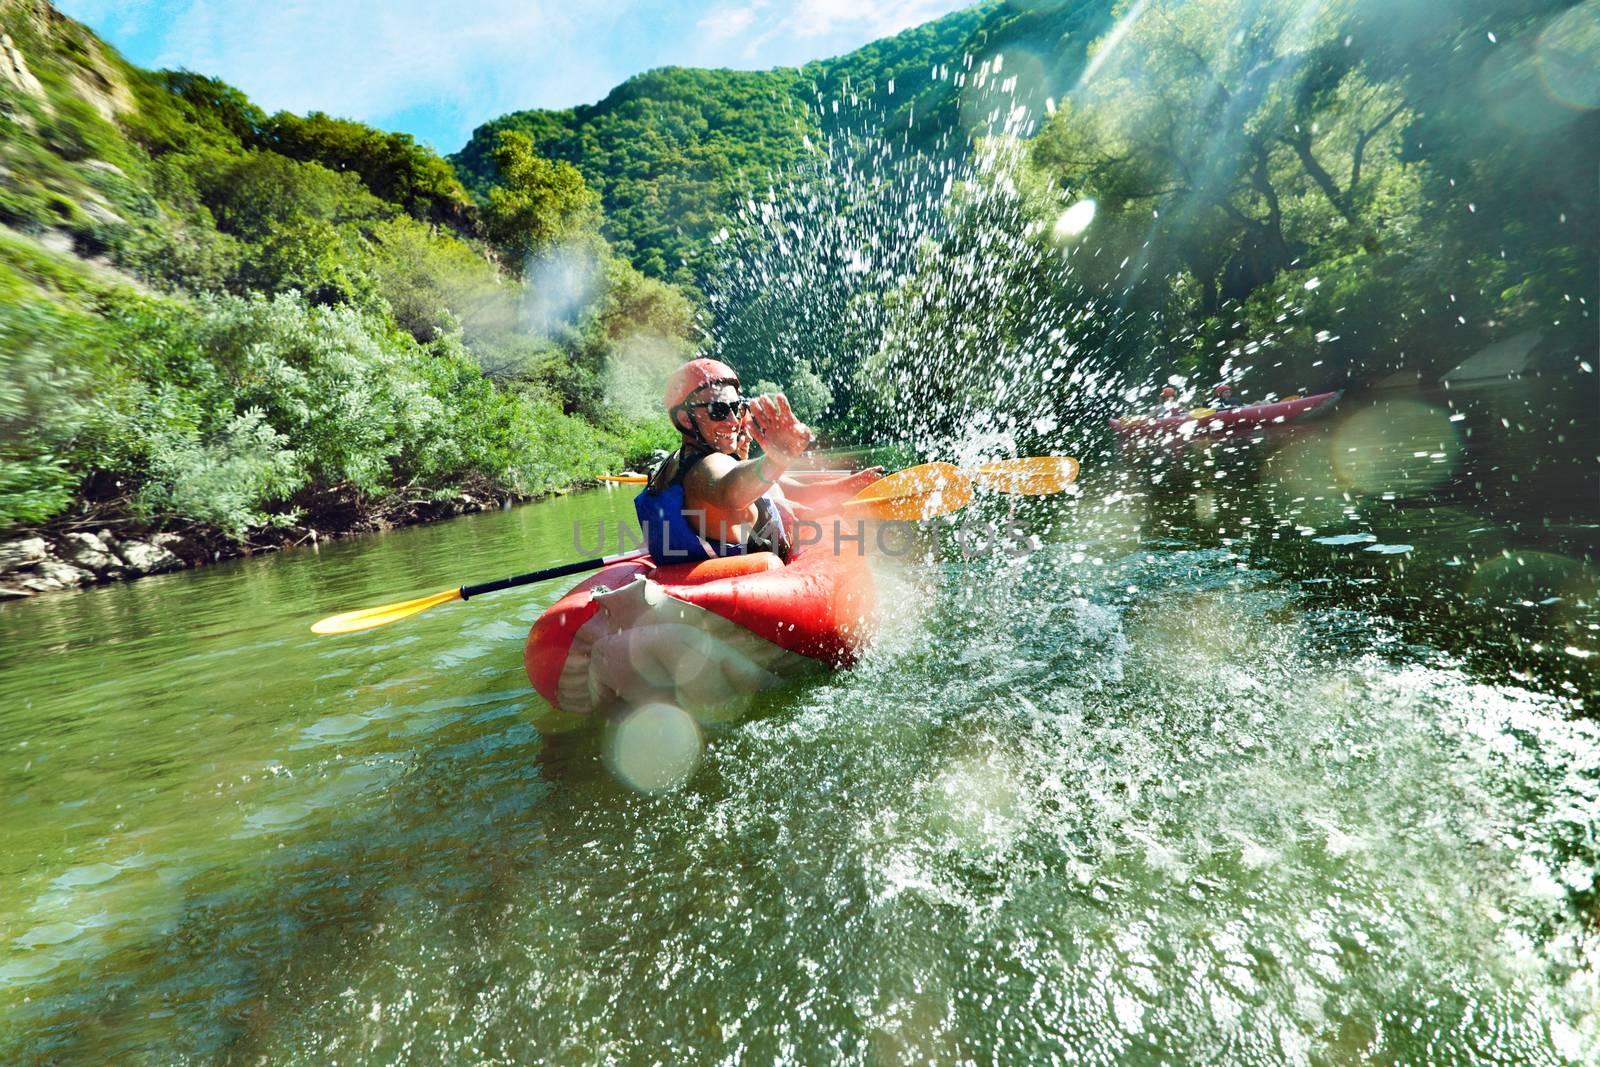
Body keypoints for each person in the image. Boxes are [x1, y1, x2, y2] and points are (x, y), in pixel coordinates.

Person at [636, 358, 881, 563]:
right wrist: (776, 459)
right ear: (686, 419)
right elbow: (730, 491)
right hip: (740, 599)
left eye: (737, 408)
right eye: (718, 410)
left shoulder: (678, 462)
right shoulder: (704, 468)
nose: (732, 421)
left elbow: (777, 489)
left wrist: (844, 487)